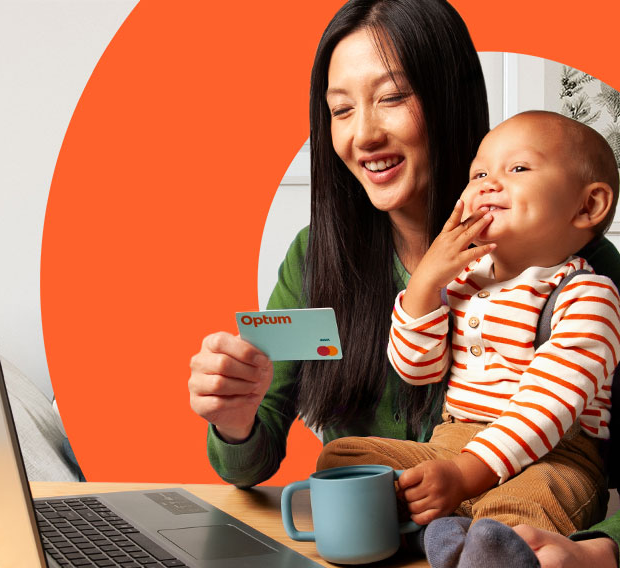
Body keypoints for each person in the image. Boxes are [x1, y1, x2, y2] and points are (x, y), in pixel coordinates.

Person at [182, 1, 620, 566]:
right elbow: (249, 464)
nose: (363, 134)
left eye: (391, 97)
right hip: (379, 543)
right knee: (339, 460)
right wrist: (235, 420)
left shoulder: (578, 266)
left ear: (450, 99)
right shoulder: (317, 259)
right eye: (340, 110)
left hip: (527, 513)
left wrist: (599, 549)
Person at [316, 111, 618, 565]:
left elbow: (546, 410)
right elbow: (417, 370)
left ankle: (465, 535)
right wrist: (424, 286)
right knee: (343, 459)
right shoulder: (464, 283)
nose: (487, 183)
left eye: (517, 169)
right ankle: (453, 528)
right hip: (451, 443)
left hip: (552, 455)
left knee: (517, 514)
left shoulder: (587, 295)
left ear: (587, 206)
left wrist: (464, 475)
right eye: (479, 173)